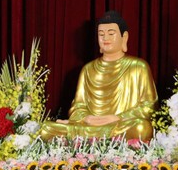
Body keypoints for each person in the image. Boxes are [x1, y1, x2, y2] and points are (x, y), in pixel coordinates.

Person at [41, 10, 158, 141]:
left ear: (124, 37)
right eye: (101, 34)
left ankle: (91, 139)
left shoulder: (138, 67)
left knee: (142, 128)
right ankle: (97, 138)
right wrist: (86, 118)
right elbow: (78, 107)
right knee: (46, 129)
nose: (105, 38)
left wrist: (116, 118)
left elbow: (149, 107)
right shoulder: (88, 69)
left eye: (111, 34)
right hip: (90, 126)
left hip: (119, 125)